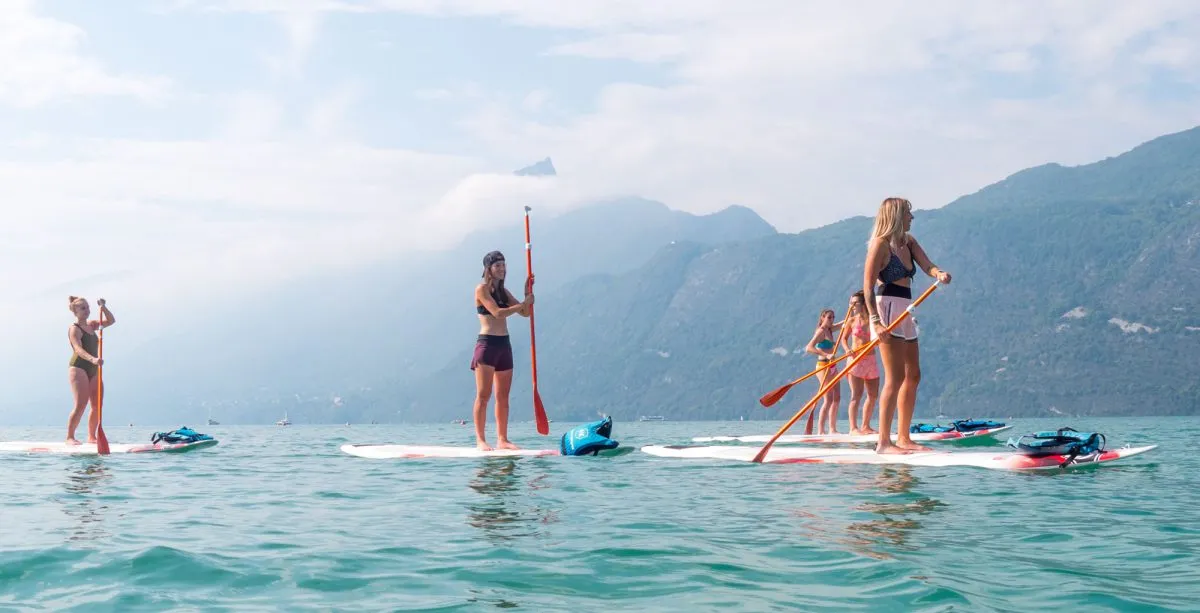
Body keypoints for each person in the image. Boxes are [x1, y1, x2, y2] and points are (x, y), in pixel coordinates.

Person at [863, 197, 952, 454]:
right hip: (886, 309)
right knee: (895, 377)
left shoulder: (908, 242)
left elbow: (928, 265)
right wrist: (875, 322)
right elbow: (867, 286)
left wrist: (939, 274)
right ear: (896, 216)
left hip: (906, 307)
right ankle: (883, 442)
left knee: (913, 375)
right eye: (908, 214)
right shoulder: (880, 245)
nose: (912, 218)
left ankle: (903, 437)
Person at [471, 251, 533, 451]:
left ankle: (502, 439)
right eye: (497, 265)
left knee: (503, 397)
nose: (502, 269)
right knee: (484, 395)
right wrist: (521, 306)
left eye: (504, 265)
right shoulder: (481, 290)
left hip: (504, 345)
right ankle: (480, 439)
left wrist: (526, 294)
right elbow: (497, 313)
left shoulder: (503, 292)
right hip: (487, 345)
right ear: (488, 269)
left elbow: (525, 313)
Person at [66, 296, 115, 445]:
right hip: (79, 366)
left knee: (97, 404)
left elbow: (111, 321)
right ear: (75, 311)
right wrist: (92, 359)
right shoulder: (74, 329)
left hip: (94, 368)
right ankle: (70, 437)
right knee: (81, 404)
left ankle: (91, 437)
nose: (87, 310)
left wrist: (103, 307)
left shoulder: (92, 325)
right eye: (83, 308)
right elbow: (78, 349)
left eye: (87, 307)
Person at [841, 290, 879, 435]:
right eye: (850, 302)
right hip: (855, 359)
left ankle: (865, 426)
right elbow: (844, 339)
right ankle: (853, 428)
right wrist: (847, 349)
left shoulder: (873, 319)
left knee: (873, 394)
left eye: (855, 302)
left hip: (871, 359)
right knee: (856, 394)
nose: (851, 305)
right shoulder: (850, 320)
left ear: (863, 303)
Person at [804, 308, 843, 435]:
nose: (831, 320)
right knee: (828, 398)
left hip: (833, 366)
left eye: (833, 317)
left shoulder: (830, 329)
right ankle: (821, 430)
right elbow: (809, 348)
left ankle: (832, 428)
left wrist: (852, 310)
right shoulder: (820, 332)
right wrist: (825, 355)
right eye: (829, 317)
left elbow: (844, 323)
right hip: (823, 366)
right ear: (822, 318)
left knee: (837, 397)